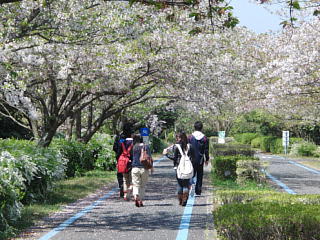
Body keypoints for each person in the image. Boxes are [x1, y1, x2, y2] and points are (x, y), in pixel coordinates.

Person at [174, 131, 195, 206]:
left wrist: (175, 166)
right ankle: (185, 199)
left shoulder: (176, 147)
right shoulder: (190, 146)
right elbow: (193, 158)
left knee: (180, 184)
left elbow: (175, 158)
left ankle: (180, 200)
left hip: (178, 168)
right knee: (186, 184)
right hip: (188, 168)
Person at [188, 121, 209, 196]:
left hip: (191, 159)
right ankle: (198, 190)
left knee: (191, 173)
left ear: (194, 127)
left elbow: (187, 148)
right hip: (200, 159)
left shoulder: (190, 137)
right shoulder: (204, 138)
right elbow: (206, 150)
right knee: (200, 174)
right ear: (201, 128)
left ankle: (191, 185)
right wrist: (207, 159)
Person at [131, 134, 153, 207]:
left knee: (135, 184)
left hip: (135, 168)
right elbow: (149, 157)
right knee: (142, 186)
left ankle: (135, 196)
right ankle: (140, 200)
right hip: (144, 168)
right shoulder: (146, 147)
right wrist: (151, 167)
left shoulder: (134, 147)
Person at [113, 123, 133, 199]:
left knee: (121, 174)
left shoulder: (119, 137)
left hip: (120, 159)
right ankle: (129, 190)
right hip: (131, 159)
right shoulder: (132, 138)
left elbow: (114, 148)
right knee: (130, 176)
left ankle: (122, 186)